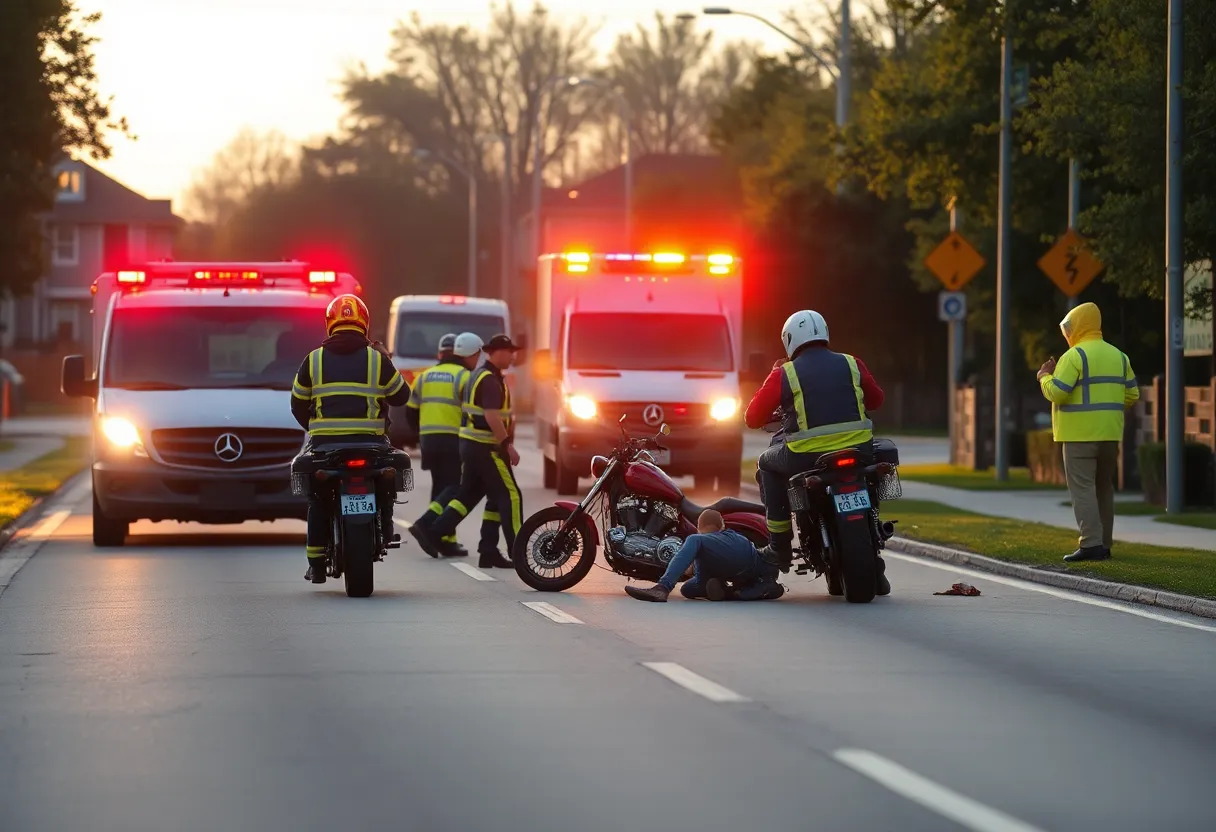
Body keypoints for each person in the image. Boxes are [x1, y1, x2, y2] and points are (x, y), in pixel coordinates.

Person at [745, 309, 889, 595]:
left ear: (789, 340)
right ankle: (873, 541)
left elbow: (752, 418)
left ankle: (779, 547)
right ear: (824, 332)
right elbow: (877, 399)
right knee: (869, 476)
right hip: (857, 449)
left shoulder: (784, 373)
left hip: (806, 455)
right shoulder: (852, 363)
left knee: (766, 464)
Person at [290, 293, 411, 584]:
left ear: (330, 323)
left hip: (325, 449)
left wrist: (316, 429)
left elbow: (296, 403)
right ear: (365, 324)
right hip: (371, 445)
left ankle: (317, 564)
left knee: (318, 499)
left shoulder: (313, 360)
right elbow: (402, 395)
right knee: (385, 487)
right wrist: (385, 360)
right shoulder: (377, 360)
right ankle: (384, 525)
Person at [1037, 302, 1139, 562]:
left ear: (1078, 326)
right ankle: (1104, 544)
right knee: (1104, 488)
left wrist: (1044, 376)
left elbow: (1057, 392)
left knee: (1082, 488)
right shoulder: (1119, 356)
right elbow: (1132, 394)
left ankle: (1091, 544)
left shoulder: (1074, 356)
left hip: (1077, 436)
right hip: (1109, 434)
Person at [409, 335, 522, 568]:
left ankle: (473, 545)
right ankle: (519, 551)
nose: (513, 355)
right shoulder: (486, 379)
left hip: (457, 443)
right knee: (510, 495)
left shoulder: (467, 375)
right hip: (484, 446)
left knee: (470, 494)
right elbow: (491, 415)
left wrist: (417, 436)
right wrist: (507, 445)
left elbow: (411, 410)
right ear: (493, 352)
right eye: (509, 351)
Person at [624, 510, 785, 602]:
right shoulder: (732, 536)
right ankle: (733, 591)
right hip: (751, 567)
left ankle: (663, 587)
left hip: (745, 560)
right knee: (687, 589)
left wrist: (689, 565)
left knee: (694, 542)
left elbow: (702, 549)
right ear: (721, 525)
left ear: (700, 528)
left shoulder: (706, 539)